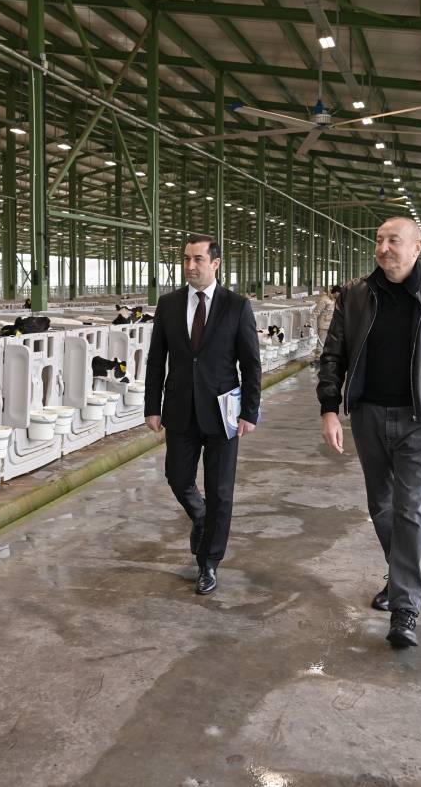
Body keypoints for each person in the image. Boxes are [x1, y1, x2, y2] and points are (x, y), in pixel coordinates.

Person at [316, 217, 421, 648]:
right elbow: (333, 356)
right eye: (379, 240)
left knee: (410, 508)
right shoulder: (355, 296)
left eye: (393, 240)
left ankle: (405, 608)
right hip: (368, 415)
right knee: (382, 506)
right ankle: (401, 573)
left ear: (416, 247)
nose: (383, 247)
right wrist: (329, 409)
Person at [145, 235, 262, 595]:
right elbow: (156, 359)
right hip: (179, 408)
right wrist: (152, 407)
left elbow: (251, 363)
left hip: (223, 412)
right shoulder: (169, 304)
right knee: (177, 477)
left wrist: (250, 411)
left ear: (215, 263)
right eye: (186, 259)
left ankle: (208, 563)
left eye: (197, 259)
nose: (190, 266)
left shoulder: (236, 306)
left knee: (220, 491)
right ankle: (200, 515)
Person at [310, 285, 342, 361]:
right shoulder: (324, 299)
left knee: (330, 342)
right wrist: (310, 322)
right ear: (336, 292)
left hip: (331, 324)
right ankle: (318, 358)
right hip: (323, 325)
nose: (340, 296)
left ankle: (326, 358)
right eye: (339, 294)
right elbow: (316, 311)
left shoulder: (335, 300)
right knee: (321, 342)